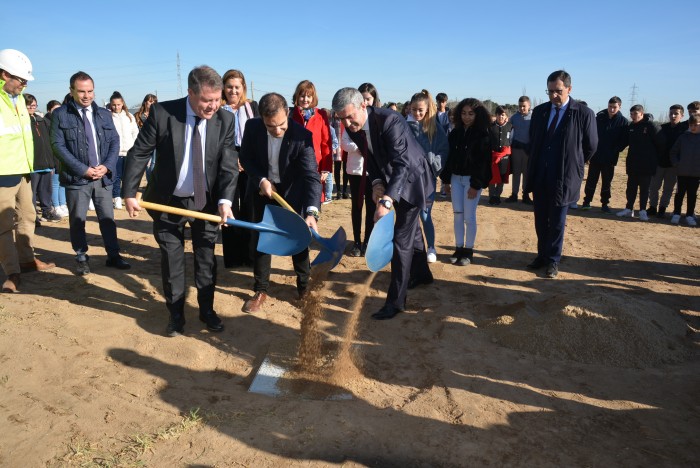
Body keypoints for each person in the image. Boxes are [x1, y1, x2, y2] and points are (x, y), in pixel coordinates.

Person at [122, 65, 238, 337]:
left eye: (217, 100)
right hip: (168, 201)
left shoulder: (225, 120)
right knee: (172, 261)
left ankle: (207, 311)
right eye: (206, 101)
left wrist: (225, 200)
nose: (212, 107)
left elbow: (229, 165)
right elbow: (139, 153)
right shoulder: (163, 113)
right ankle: (175, 315)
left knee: (206, 259)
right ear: (190, 93)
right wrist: (128, 191)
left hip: (206, 203)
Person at [333, 87, 433, 320]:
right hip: (394, 179)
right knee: (412, 232)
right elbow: (372, 157)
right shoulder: (356, 128)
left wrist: (387, 200)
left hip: (413, 180)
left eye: (350, 116)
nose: (347, 123)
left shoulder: (390, 121)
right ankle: (423, 274)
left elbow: (402, 164)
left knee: (401, 239)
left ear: (363, 106)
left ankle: (396, 301)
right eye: (342, 119)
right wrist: (377, 182)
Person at [238, 92, 321, 313]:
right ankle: (261, 288)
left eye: (281, 125)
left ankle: (305, 289)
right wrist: (261, 180)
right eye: (270, 126)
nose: (277, 131)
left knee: (299, 238)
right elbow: (245, 158)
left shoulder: (302, 135)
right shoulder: (252, 127)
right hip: (261, 191)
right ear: (262, 119)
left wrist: (312, 212)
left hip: (292, 192)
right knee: (261, 237)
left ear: (288, 113)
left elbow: (311, 176)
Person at [50, 71, 130, 275]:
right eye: (82, 91)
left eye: (90, 91)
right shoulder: (61, 115)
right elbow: (58, 146)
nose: (87, 96)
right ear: (72, 91)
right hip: (78, 179)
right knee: (78, 220)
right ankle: (81, 256)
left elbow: (114, 141)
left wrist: (107, 165)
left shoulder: (104, 114)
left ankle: (113, 255)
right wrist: (83, 169)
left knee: (107, 219)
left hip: (103, 178)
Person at [525, 70, 598, 278]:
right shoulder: (540, 112)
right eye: (549, 91)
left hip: (563, 177)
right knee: (540, 219)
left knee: (557, 221)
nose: (553, 96)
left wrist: (574, 162)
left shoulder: (583, 113)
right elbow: (534, 140)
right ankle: (542, 255)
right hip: (540, 174)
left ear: (569, 89)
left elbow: (591, 145)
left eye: (558, 91)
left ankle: (553, 260)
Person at [0, 49, 55, 293]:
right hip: (2, 174)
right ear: (4, 74)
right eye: (20, 79)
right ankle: (11, 271)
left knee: (28, 216)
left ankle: (27, 259)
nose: (24, 84)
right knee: (3, 225)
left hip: (24, 170)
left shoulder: (19, 100)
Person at [441, 98, 492, 266]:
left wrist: (476, 184)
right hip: (455, 179)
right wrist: (446, 181)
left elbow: (483, 162)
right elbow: (449, 159)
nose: (466, 117)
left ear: (478, 115)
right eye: (463, 113)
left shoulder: (483, 135)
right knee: (457, 215)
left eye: (471, 113)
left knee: (469, 217)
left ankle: (469, 251)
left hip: (471, 181)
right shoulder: (455, 133)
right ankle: (458, 248)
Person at [219, 69, 259, 268]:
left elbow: (260, 135)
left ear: (243, 87)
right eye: (229, 87)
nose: (233, 91)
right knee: (230, 208)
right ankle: (234, 257)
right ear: (223, 88)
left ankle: (251, 256)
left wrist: (245, 159)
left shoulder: (252, 106)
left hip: (250, 161)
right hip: (226, 161)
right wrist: (232, 159)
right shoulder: (218, 108)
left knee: (251, 208)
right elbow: (215, 140)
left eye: (237, 87)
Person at [407, 90, 448, 263]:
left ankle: (431, 247)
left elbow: (444, 149)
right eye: (414, 109)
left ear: (427, 109)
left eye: (420, 110)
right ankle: (411, 248)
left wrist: (434, 167)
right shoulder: (404, 126)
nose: (417, 113)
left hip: (428, 180)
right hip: (408, 181)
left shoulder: (434, 126)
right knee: (409, 217)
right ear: (409, 108)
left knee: (425, 215)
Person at [581, 96, 629, 213]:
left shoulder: (623, 122)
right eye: (610, 107)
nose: (612, 109)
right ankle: (587, 201)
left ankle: (605, 203)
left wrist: (615, 150)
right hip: (596, 155)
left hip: (610, 157)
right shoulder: (599, 118)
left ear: (619, 107)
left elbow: (625, 140)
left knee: (607, 181)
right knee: (591, 180)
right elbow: (591, 134)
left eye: (614, 107)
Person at [616, 105, 663, 221]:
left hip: (647, 164)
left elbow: (661, 143)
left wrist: (654, 159)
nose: (633, 116)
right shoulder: (631, 126)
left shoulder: (651, 126)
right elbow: (625, 142)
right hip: (633, 163)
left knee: (644, 189)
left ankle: (642, 210)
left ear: (642, 113)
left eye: (635, 114)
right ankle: (628, 209)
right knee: (631, 188)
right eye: (631, 114)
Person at [290, 80, 332, 203]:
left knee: (313, 199)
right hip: (294, 165)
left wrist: (326, 168)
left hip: (316, 165)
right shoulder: (291, 114)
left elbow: (326, 143)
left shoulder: (321, 115)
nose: (305, 99)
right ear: (297, 96)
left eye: (309, 96)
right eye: (302, 95)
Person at [25, 93, 61, 224]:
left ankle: (47, 211)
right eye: (29, 105)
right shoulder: (22, 122)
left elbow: (49, 142)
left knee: (46, 190)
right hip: (32, 164)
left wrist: (52, 162)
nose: (32, 107)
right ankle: (32, 216)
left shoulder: (42, 121)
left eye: (34, 105)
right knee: (31, 193)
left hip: (46, 163)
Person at [649, 104, 687, 218]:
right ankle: (652, 207)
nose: (673, 116)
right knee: (654, 187)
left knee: (668, 188)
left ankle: (662, 208)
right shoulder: (662, 128)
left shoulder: (684, 130)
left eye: (676, 114)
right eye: (671, 113)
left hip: (673, 165)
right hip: (659, 163)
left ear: (682, 115)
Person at [109, 91, 139, 210]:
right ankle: (116, 197)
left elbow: (135, 132)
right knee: (115, 176)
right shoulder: (109, 117)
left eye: (119, 104)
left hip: (129, 152)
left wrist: (135, 147)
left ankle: (127, 197)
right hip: (115, 153)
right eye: (114, 105)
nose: (116, 107)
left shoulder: (129, 116)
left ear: (123, 104)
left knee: (128, 176)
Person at [669, 114, 700, 226]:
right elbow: (673, 152)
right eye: (691, 125)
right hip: (682, 172)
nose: (693, 127)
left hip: (696, 174)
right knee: (679, 194)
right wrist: (677, 164)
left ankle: (689, 215)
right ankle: (676, 213)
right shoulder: (683, 137)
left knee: (692, 195)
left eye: (696, 125)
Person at [506, 96, 533, 204]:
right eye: (520, 106)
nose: (522, 108)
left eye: (524, 106)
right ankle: (514, 194)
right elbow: (507, 127)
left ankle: (526, 195)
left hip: (528, 150)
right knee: (516, 173)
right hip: (516, 148)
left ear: (529, 106)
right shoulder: (514, 117)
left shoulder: (534, 118)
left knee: (526, 173)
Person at [45, 100, 68, 218]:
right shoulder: (47, 123)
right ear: (49, 110)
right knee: (54, 183)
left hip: (62, 158)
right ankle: (55, 205)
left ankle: (62, 204)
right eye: (55, 109)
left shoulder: (61, 121)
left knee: (62, 182)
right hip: (53, 158)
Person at [487, 106, 512, 206]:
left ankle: (497, 196)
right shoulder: (490, 127)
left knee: (502, 176)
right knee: (492, 177)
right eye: (498, 114)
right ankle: (491, 196)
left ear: (506, 116)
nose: (500, 117)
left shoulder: (510, 127)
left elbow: (511, 140)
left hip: (504, 157)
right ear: (495, 115)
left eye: (503, 115)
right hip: (492, 156)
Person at [133, 93, 157, 180]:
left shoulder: (158, 115)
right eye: (150, 101)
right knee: (146, 165)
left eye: (154, 102)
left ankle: (151, 184)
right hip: (143, 144)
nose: (152, 103)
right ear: (145, 102)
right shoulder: (137, 116)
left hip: (155, 144)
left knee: (153, 164)